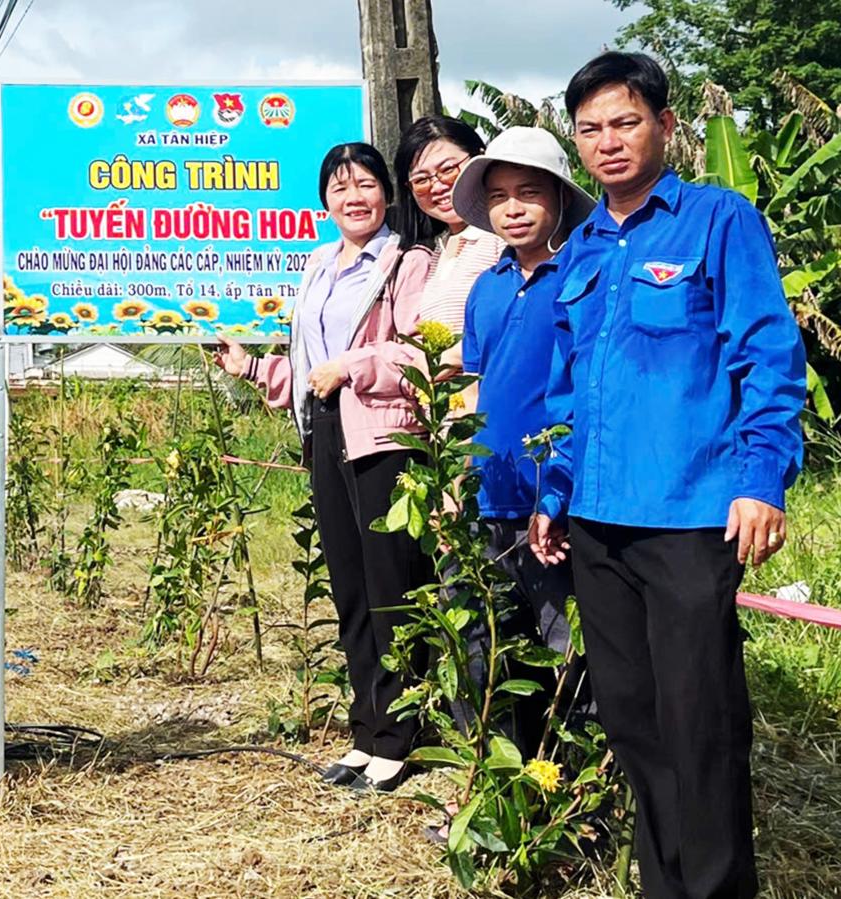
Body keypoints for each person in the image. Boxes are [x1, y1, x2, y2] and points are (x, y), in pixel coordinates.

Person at [529, 52, 805, 899]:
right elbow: (568, 388)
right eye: (589, 129)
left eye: (625, 122)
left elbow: (767, 355)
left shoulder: (718, 220)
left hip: (690, 515)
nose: (607, 142)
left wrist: (762, 478)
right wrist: (554, 489)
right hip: (597, 524)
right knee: (634, 722)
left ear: (665, 125)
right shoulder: (581, 248)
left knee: (700, 724)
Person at [216, 143, 434, 792]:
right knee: (350, 588)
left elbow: (421, 354)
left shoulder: (407, 262)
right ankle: (367, 732)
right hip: (327, 431)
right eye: (340, 188)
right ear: (324, 202)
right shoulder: (318, 265)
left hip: (385, 436)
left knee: (391, 585)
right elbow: (310, 367)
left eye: (365, 184)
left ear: (387, 194)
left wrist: (353, 366)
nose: (354, 197)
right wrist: (253, 368)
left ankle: (400, 737)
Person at [447, 125, 598, 767]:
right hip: (487, 493)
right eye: (499, 195)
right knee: (482, 645)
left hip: (554, 500)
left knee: (567, 648)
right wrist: (457, 478)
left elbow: (586, 393)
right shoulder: (487, 285)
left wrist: (560, 489)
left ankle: (576, 786)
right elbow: (473, 388)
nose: (512, 208)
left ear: (560, 196)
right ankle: (500, 781)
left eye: (529, 192)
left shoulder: (584, 276)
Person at [395, 116, 503, 341]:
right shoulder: (438, 249)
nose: (437, 186)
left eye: (448, 169)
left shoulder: (502, 235)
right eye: (421, 180)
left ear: (479, 159)